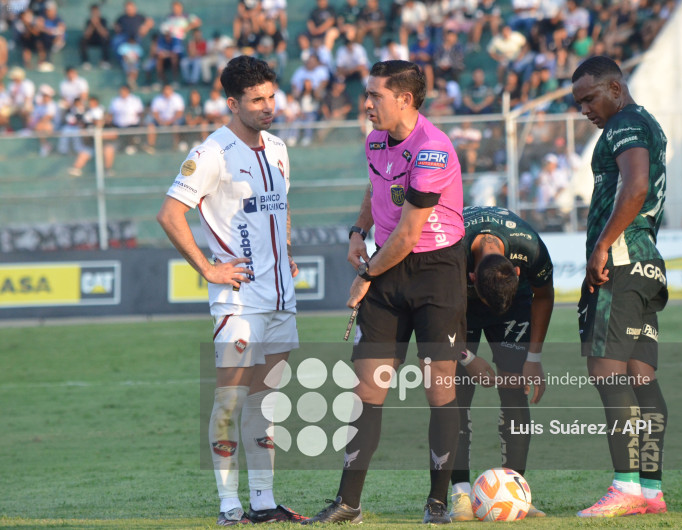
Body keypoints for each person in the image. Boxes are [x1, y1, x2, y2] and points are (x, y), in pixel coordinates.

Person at [303, 60, 466, 525]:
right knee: (367, 389)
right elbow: (377, 188)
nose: (367, 103)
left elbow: (411, 233)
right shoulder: (375, 140)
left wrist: (366, 274)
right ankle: (348, 504)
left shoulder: (433, 148)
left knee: (439, 390)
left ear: (405, 100)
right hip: (387, 269)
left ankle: (437, 503)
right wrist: (359, 229)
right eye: (367, 93)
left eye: (375, 95)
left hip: (435, 272)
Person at [156, 55, 306, 527]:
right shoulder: (212, 154)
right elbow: (169, 214)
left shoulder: (280, 147)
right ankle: (229, 507)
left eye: (271, 97)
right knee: (229, 401)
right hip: (240, 300)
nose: (267, 107)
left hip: (282, 299)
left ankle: (263, 502)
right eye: (257, 100)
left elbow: (279, 207)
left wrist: (285, 249)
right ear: (232, 103)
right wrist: (208, 269)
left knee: (265, 404)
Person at [571, 55, 669, 517]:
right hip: (647, 261)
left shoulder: (624, 123)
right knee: (640, 378)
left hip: (623, 259)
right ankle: (650, 490)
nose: (584, 109)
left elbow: (635, 186)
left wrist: (602, 246)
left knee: (605, 370)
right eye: (579, 102)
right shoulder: (644, 121)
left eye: (589, 98)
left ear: (614, 88)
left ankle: (626, 486)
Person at [448, 205, 554, 522]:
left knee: (514, 389)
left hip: (514, 305)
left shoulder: (531, 248)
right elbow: (431, 320)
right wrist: (466, 357)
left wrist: (533, 357)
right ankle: (461, 496)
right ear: (470, 277)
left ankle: (515, 492)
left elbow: (545, 296)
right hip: (459, 308)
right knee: (455, 394)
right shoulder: (450, 251)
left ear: (517, 271)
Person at [79, 3, 112, 69]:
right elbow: (86, 35)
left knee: (105, 39)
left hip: (100, 39)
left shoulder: (103, 20)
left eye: (96, 12)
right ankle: (86, 62)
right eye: (93, 12)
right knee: (82, 41)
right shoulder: (88, 21)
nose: (95, 13)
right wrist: (92, 25)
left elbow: (104, 33)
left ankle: (105, 61)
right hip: (91, 39)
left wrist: (97, 24)